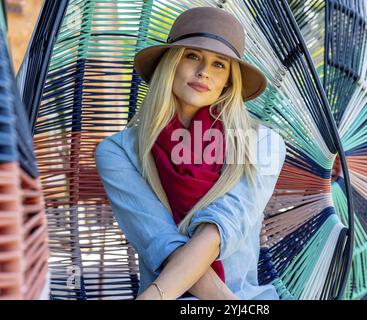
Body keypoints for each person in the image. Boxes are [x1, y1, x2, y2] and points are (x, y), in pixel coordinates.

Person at [95, 6, 286, 300]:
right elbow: (162, 242)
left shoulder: (261, 144)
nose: (203, 72)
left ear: (228, 81)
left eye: (219, 65)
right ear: (171, 63)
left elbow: (219, 230)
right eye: (192, 56)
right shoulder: (118, 152)